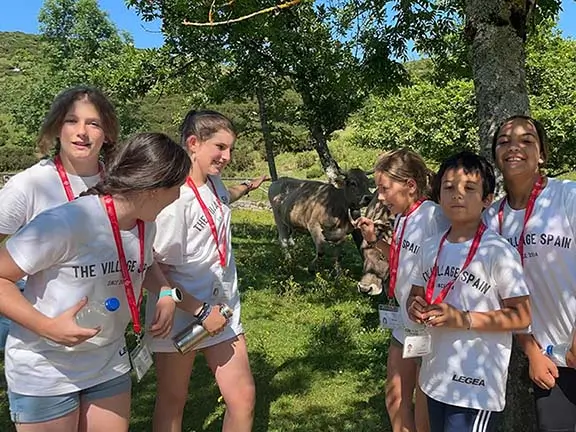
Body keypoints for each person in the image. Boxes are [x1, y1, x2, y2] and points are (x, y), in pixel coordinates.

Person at [0, 132, 216, 431]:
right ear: (153, 187)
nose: (178, 197)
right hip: (46, 370)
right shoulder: (67, 223)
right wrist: (46, 327)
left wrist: (166, 292)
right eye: (176, 188)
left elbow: (145, 264)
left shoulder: (144, 226)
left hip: (108, 365)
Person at [147, 109, 256, 432]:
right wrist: (199, 309)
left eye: (231, 149)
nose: (227, 156)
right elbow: (152, 266)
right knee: (173, 400)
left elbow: (224, 200)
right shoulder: (173, 198)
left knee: (243, 398)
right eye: (220, 147)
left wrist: (250, 185)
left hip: (223, 311)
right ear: (193, 143)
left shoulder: (215, 183)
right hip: (181, 316)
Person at [407, 151, 532, 432]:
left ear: (487, 199)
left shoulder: (498, 252)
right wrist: (414, 306)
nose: (457, 195)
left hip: (474, 385)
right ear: (438, 195)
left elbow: (522, 316)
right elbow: (415, 294)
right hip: (434, 376)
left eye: (469, 188)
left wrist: (464, 319)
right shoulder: (430, 246)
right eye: (448, 188)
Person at [0, 85, 120, 350]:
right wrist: (40, 323)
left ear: (108, 134)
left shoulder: (118, 185)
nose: (82, 132)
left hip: (104, 341)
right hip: (40, 343)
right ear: (57, 127)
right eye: (71, 121)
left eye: (94, 123)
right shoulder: (29, 184)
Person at [483, 115, 576, 432]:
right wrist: (532, 351)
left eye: (526, 140)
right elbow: (502, 299)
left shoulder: (568, 197)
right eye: (504, 141)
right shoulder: (489, 220)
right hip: (550, 362)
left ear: (542, 154)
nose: (514, 147)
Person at [355, 148, 449, 432]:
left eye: (385, 188)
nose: (380, 197)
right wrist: (374, 241)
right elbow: (404, 257)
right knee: (395, 398)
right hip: (403, 322)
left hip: (427, 328)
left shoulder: (433, 216)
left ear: (410, 186)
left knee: (424, 414)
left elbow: (447, 263)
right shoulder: (405, 216)